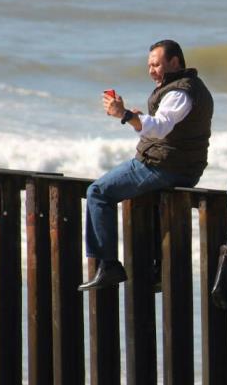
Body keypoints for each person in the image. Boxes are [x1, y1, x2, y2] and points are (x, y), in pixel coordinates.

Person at [79, 39, 213, 291]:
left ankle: (108, 265)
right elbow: (163, 128)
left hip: (164, 166)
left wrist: (126, 115)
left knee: (97, 193)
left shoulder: (179, 92)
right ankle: (158, 269)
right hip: (183, 167)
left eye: (157, 64)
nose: (151, 70)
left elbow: (160, 127)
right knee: (148, 200)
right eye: (149, 65)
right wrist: (137, 118)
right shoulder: (189, 87)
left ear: (174, 62)